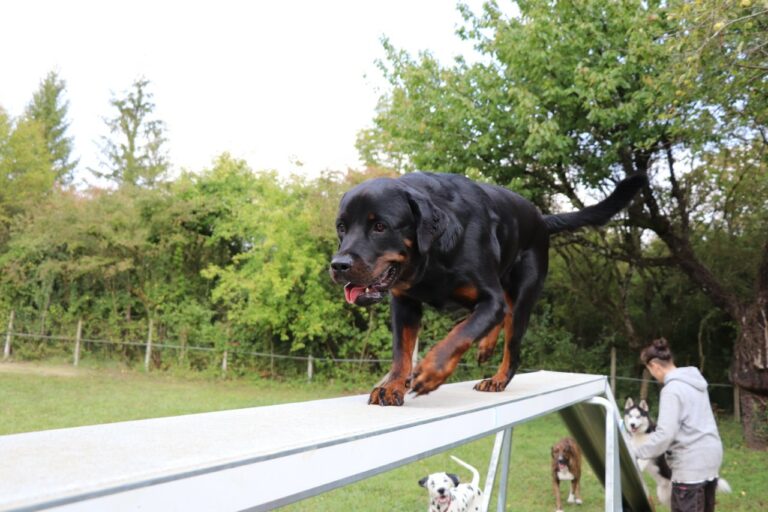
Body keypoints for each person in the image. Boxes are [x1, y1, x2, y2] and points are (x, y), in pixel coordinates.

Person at [636, 337, 725, 512]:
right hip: (711, 457)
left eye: (649, 371)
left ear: (654, 366)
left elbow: (665, 435)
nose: (653, 376)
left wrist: (636, 453)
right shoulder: (695, 381)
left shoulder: (672, 389)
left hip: (691, 463)